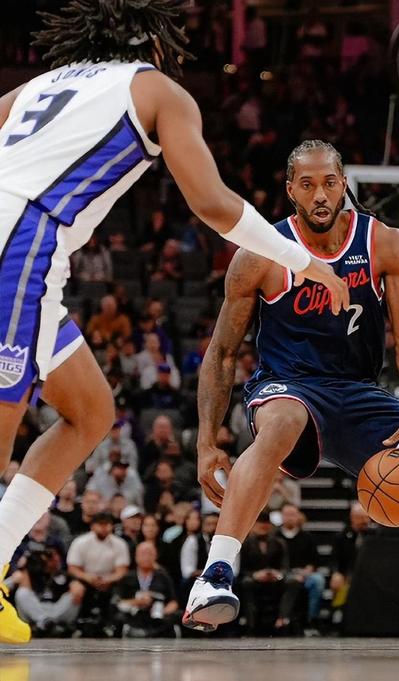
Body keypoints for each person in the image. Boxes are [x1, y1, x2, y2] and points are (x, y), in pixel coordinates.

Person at [0, 0, 347, 645]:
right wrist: (306, 263)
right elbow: (213, 205)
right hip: (20, 244)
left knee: (89, 410)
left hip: (31, 253)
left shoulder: (37, 86)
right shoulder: (155, 89)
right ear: (152, 44)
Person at [183, 140, 399, 649]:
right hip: (289, 384)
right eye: (308, 184)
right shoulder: (260, 253)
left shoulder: (384, 243)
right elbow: (222, 353)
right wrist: (207, 442)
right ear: (291, 190)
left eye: (329, 182)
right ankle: (215, 574)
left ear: (343, 185)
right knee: (284, 421)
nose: (320, 194)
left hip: (360, 392)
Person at [115, 542, 178, 637]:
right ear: (136, 557)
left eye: (149, 553)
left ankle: (153, 632)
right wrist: (137, 602)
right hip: (134, 614)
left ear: (155, 556)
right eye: (143, 553)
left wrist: (164, 611)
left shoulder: (163, 576)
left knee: (176, 616)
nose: (146, 557)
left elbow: (173, 601)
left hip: (157, 615)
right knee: (118, 616)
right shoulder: (127, 577)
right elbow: (119, 601)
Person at [275, 503, 324, 626]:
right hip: (281, 573)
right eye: (287, 515)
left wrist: (307, 571)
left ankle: (312, 620)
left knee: (318, 580)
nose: (290, 518)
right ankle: (281, 618)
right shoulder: (275, 537)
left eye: (293, 515)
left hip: (303, 573)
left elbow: (315, 560)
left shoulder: (307, 537)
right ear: (281, 516)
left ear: (298, 516)